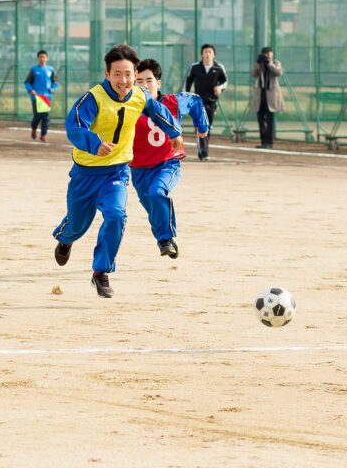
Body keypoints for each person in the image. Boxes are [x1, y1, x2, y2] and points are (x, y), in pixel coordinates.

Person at [52, 45, 183, 299]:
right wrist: (95, 144)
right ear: (107, 74)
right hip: (85, 174)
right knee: (77, 225)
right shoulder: (93, 98)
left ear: (135, 74)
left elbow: (160, 111)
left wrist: (174, 132)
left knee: (116, 215)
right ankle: (65, 239)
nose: (123, 81)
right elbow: (75, 127)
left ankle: (100, 272)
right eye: (117, 74)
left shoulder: (140, 96)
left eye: (128, 74)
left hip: (117, 172)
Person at [132, 59, 209, 258]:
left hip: (167, 163)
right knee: (152, 206)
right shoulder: (128, 105)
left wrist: (202, 127)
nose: (144, 85)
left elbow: (195, 100)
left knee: (158, 192)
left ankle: (165, 240)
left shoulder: (173, 103)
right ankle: (167, 238)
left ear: (158, 83)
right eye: (138, 81)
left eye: (149, 80)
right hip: (138, 168)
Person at [184, 43, 227, 160]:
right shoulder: (195, 67)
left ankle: (203, 150)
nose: (207, 54)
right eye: (205, 52)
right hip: (198, 102)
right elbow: (188, 82)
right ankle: (203, 153)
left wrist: (220, 88)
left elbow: (225, 82)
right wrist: (186, 96)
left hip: (212, 102)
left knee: (208, 127)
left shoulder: (218, 68)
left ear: (213, 55)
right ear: (202, 54)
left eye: (210, 52)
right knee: (201, 126)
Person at [251, 47, 284, 149]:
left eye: (268, 54)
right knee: (261, 120)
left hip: (271, 95)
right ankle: (263, 142)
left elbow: (278, 72)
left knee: (270, 120)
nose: (266, 55)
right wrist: (258, 63)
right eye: (264, 54)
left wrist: (268, 63)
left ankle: (270, 142)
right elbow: (253, 74)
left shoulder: (275, 63)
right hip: (260, 95)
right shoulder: (259, 65)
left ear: (272, 54)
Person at [24, 50, 58, 142]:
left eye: (44, 57)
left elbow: (55, 82)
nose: (42, 59)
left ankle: (43, 135)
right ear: (38, 58)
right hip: (36, 97)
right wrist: (31, 90)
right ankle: (34, 129)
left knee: (46, 117)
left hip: (47, 97)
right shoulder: (34, 69)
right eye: (40, 57)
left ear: (47, 58)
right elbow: (27, 82)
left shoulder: (51, 69)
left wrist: (53, 89)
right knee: (37, 116)